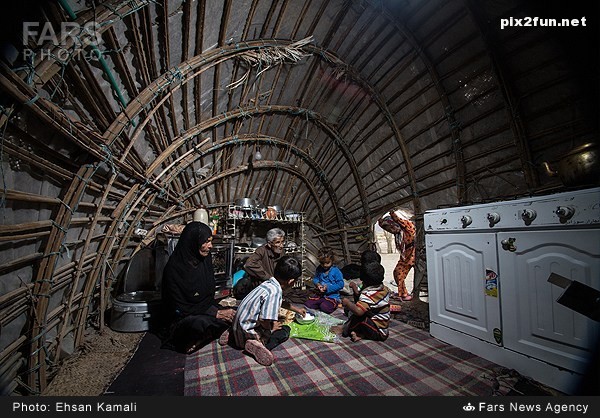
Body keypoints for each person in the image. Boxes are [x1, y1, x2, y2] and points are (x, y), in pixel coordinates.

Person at [160, 222, 236, 354]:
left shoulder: (204, 260)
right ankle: (206, 335)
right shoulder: (174, 269)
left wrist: (217, 311)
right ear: (193, 242)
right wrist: (215, 313)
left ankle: (207, 335)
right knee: (200, 322)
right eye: (206, 242)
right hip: (182, 317)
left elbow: (208, 297)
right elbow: (180, 308)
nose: (210, 246)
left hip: (204, 308)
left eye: (210, 241)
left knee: (234, 314)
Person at [220, 256, 303, 366]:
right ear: (291, 281)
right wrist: (271, 328)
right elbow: (264, 319)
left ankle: (232, 334)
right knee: (284, 331)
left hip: (237, 324)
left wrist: (297, 309)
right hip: (247, 331)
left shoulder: (269, 284)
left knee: (258, 322)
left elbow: (280, 302)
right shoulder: (275, 292)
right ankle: (258, 344)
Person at [340, 261, 390, 342]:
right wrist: (354, 288)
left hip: (379, 332)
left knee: (356, 317)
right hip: (381, 327)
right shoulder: (384, 289)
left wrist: (347, 303)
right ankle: (361, 334)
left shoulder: (369, 294)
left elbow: (359, 312)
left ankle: (344, 330)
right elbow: (360, 300)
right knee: (350, 310)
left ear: (363, 280)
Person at [233, 227, 286, 300]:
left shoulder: (282, 252)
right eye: (278, 242)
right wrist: (268, 277)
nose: (281, 245)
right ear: (269, 244)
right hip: (262, 287)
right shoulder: (262, 250)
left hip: (276, 287)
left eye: (282, 242)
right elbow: (248, 264)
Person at [378, 211, 416, 301]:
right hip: (405, 256)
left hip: (414, 254)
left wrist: (391, 212)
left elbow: (399, 220)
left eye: (391, 227)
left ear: (395, 223)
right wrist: (380, 219)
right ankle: (403, 294)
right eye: (388, 230)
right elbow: (381, 223)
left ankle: (413, 293)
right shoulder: (398, 234)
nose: (391, 231)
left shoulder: (407, 228)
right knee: (397, 272)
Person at [304, 246, 344, 314]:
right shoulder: (319, 269)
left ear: (332, 260)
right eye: (322, 263)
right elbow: (315, 279)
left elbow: (340, 284)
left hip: (332, 297)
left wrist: (328, 288)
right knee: (308, 304)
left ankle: (335, 304)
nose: (324, 265)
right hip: (321, 295)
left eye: (327, 263)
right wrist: (318, 285)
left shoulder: (336, 271)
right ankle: (321, 303)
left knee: (325, 307)